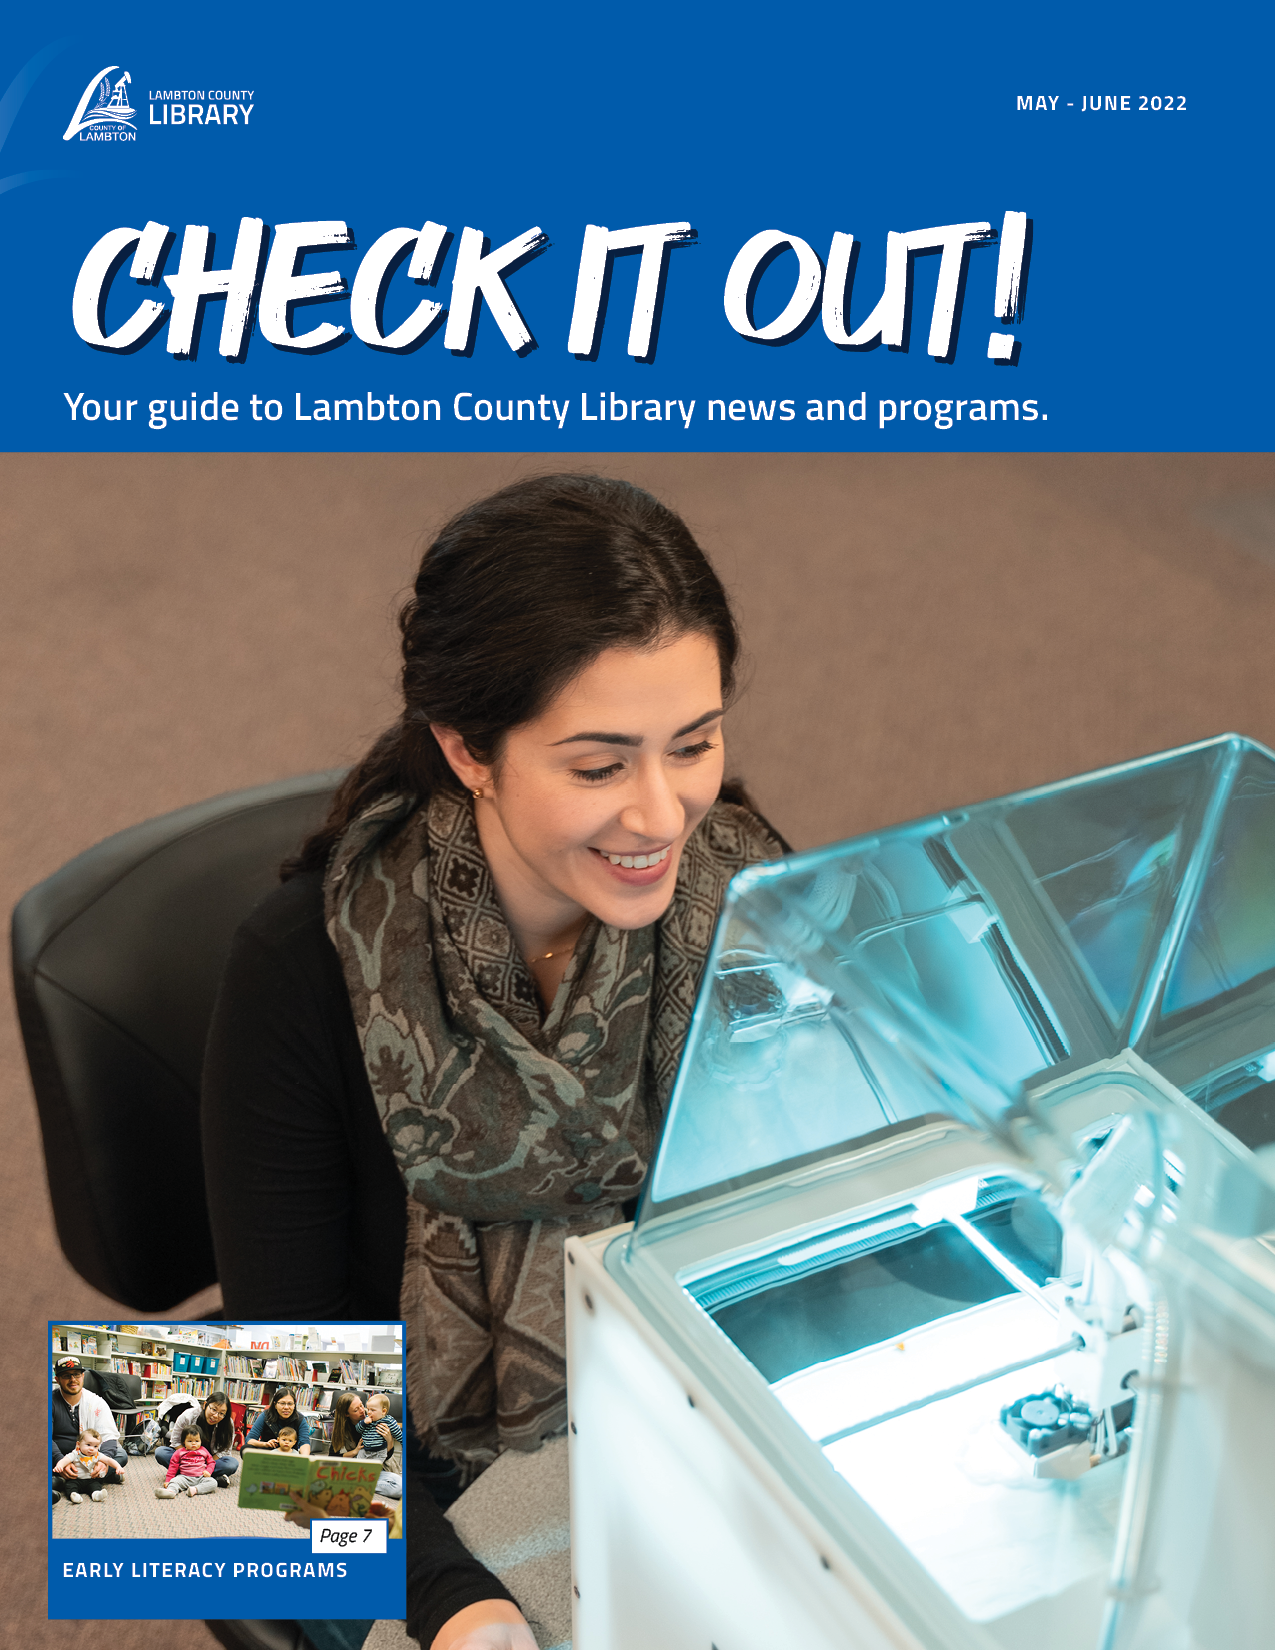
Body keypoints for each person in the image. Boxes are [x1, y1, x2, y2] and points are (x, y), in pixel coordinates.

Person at [201, 475, 787, 1650]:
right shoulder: (297, 970)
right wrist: (452, 1607)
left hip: (663, 1408)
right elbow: (280, 1396)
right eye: (598, 765)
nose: (665, 815)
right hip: (372, 1459)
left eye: (696, 743)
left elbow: (792, 1216)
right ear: (469, 748)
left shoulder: (748, 899)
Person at [50, 1356, 129, 1481]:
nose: (72, 1380)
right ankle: (96, 1478)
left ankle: (61, 1481)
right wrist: (61, 1460)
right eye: (66, 1376)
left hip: (89, 1455)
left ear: (83, 1377)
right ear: (57, 1380)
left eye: (76, 1375)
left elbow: (109, 1436)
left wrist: (103, 1462)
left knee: (121, 1455)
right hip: (59, 1456)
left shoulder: (96, 1402)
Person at [155, 1391, 240, 1487]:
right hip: (186, 1458)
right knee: (161, 1452)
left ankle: (186, 1476)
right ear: (205, 1405)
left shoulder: (228, 1424)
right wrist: (189, 1457)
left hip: (210, 1461)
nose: (216, 1416)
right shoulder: (188, 1416)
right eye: (213, 1410)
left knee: (232, 1464)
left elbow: (224, 1451)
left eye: (221, 1413)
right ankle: (208, 1477)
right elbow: (175, 1441)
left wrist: (205, 1463)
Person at [51, 1427, 119, 1503]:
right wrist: (59, 1466)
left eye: (95, 1446)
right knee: (69, 1486)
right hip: (76, 1479)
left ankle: (96, 1495)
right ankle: (74, 1496)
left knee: (96, 1485)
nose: (92, 1449)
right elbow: (65, 1460)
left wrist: (118, 1467)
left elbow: (108, 1460)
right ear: (78, 1444)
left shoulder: (97, 1455)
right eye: (88, 1445)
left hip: (91, 1480)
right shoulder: (75, 1454)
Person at [244, 1386, 313, 1456]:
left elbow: (305, 1443)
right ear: (275, 1405)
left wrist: (304, 1458)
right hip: (268, 1452)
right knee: (246, 1449)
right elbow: (249, 1439)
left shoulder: (300, 1419)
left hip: (290, 1454)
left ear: (294, 1405)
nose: (286, 1407)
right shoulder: (265, 1415)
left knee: (310, 1456)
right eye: (282, 1403)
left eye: (290, 1404)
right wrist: (265, 1444)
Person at [156, 1427, 219, 1498]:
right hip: (184, 1477)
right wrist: (168, 1480)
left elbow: (211, 1462)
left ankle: (195, 1490)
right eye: (190, 1441)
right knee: (174, 1482)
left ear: (201, 1441)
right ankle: (171, 1491)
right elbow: (173, 1466)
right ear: (184, 1442)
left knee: (213, 1483)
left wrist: (209, 1471)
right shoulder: (179, 1452)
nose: (194, 1443)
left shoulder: (203, 1450)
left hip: (201, 1477)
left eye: (197, 1441)